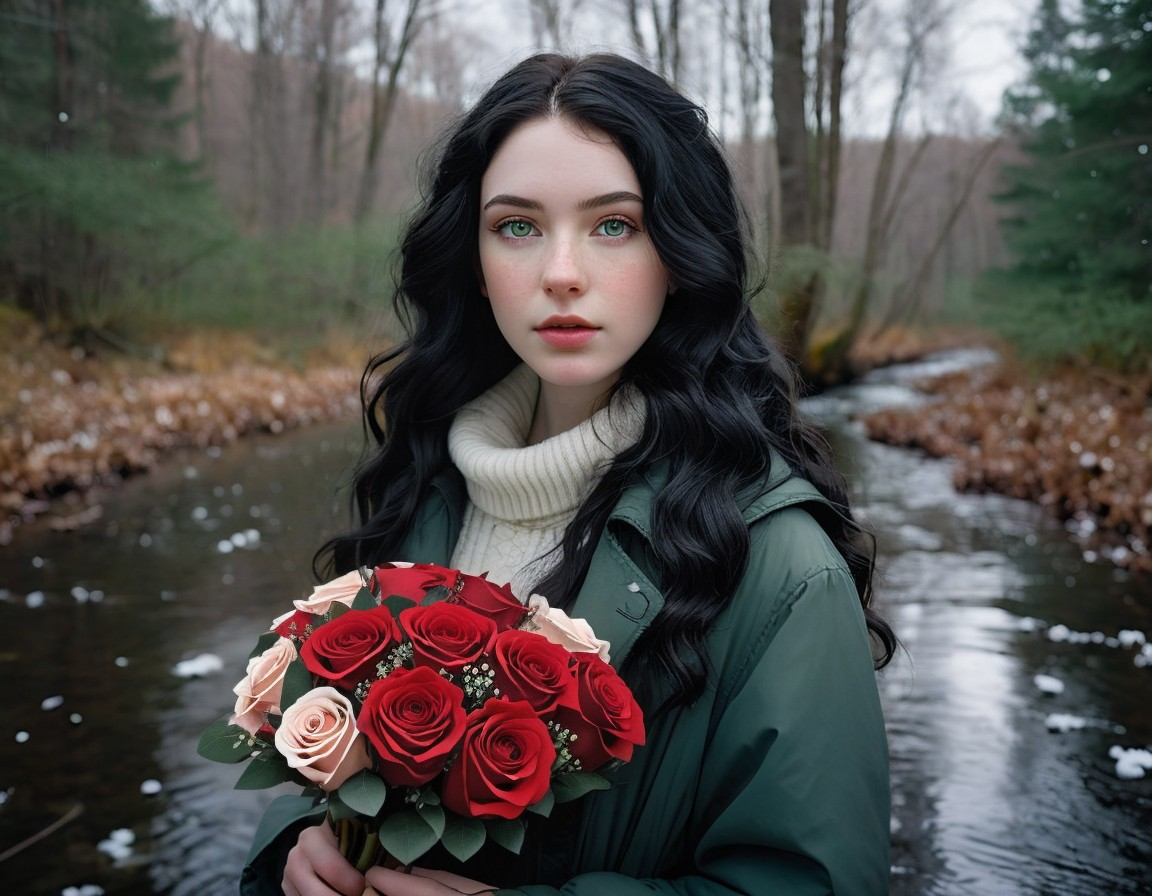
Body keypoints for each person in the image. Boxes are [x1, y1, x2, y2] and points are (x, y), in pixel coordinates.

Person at [242, 51, 895, 896]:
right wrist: (297, 849)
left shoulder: (780, 567)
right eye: (517, 225)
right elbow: (320, 760)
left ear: (680, 254)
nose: (560, 272)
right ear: (474, 263)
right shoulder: (418, 490)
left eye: (613, 225)